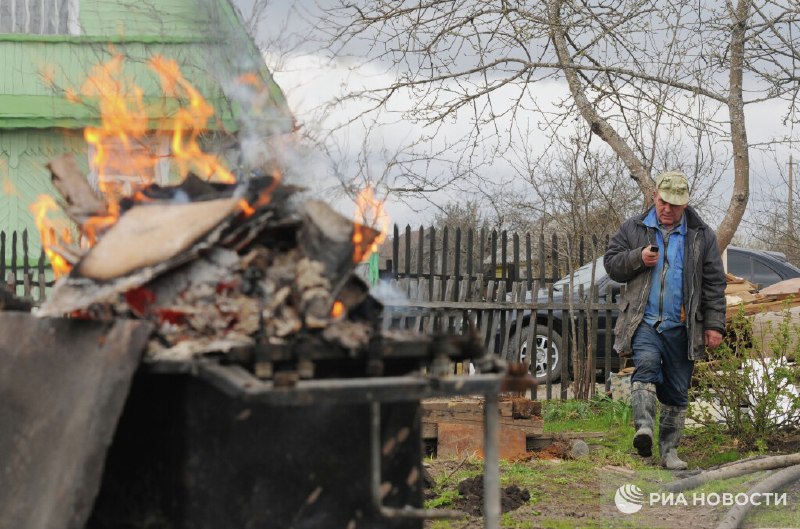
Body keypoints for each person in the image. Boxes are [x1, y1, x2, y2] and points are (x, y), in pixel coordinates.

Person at [603, 171, 726, 469]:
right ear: (654, 196)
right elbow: (611, 265)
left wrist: (714, 324)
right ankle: (643, 428)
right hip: (644, 321)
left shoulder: (701, 235)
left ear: (685, 205)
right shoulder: (634, 228)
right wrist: (637, 258)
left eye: (674, 205)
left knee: (677, 390)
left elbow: (713, 282)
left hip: (683, 326)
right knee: (645, 365)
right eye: (663, 202)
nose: (667, 209)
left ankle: (669, 452)